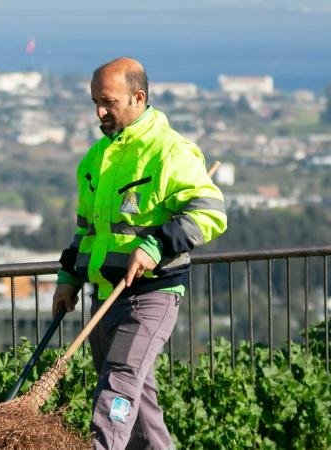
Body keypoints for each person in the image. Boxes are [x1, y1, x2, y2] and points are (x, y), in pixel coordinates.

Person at [52, 57, 227, 450]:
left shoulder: (171, 151)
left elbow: (211, 213)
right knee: (137, 402)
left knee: (116, 389)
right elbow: (87, 230)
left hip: (151, 295)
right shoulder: (96, 158)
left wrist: (155, 245)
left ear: (138, 98)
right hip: (105, 296)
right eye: (95, 101)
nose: (99, 111)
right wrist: (68, 277)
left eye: (108, 102)